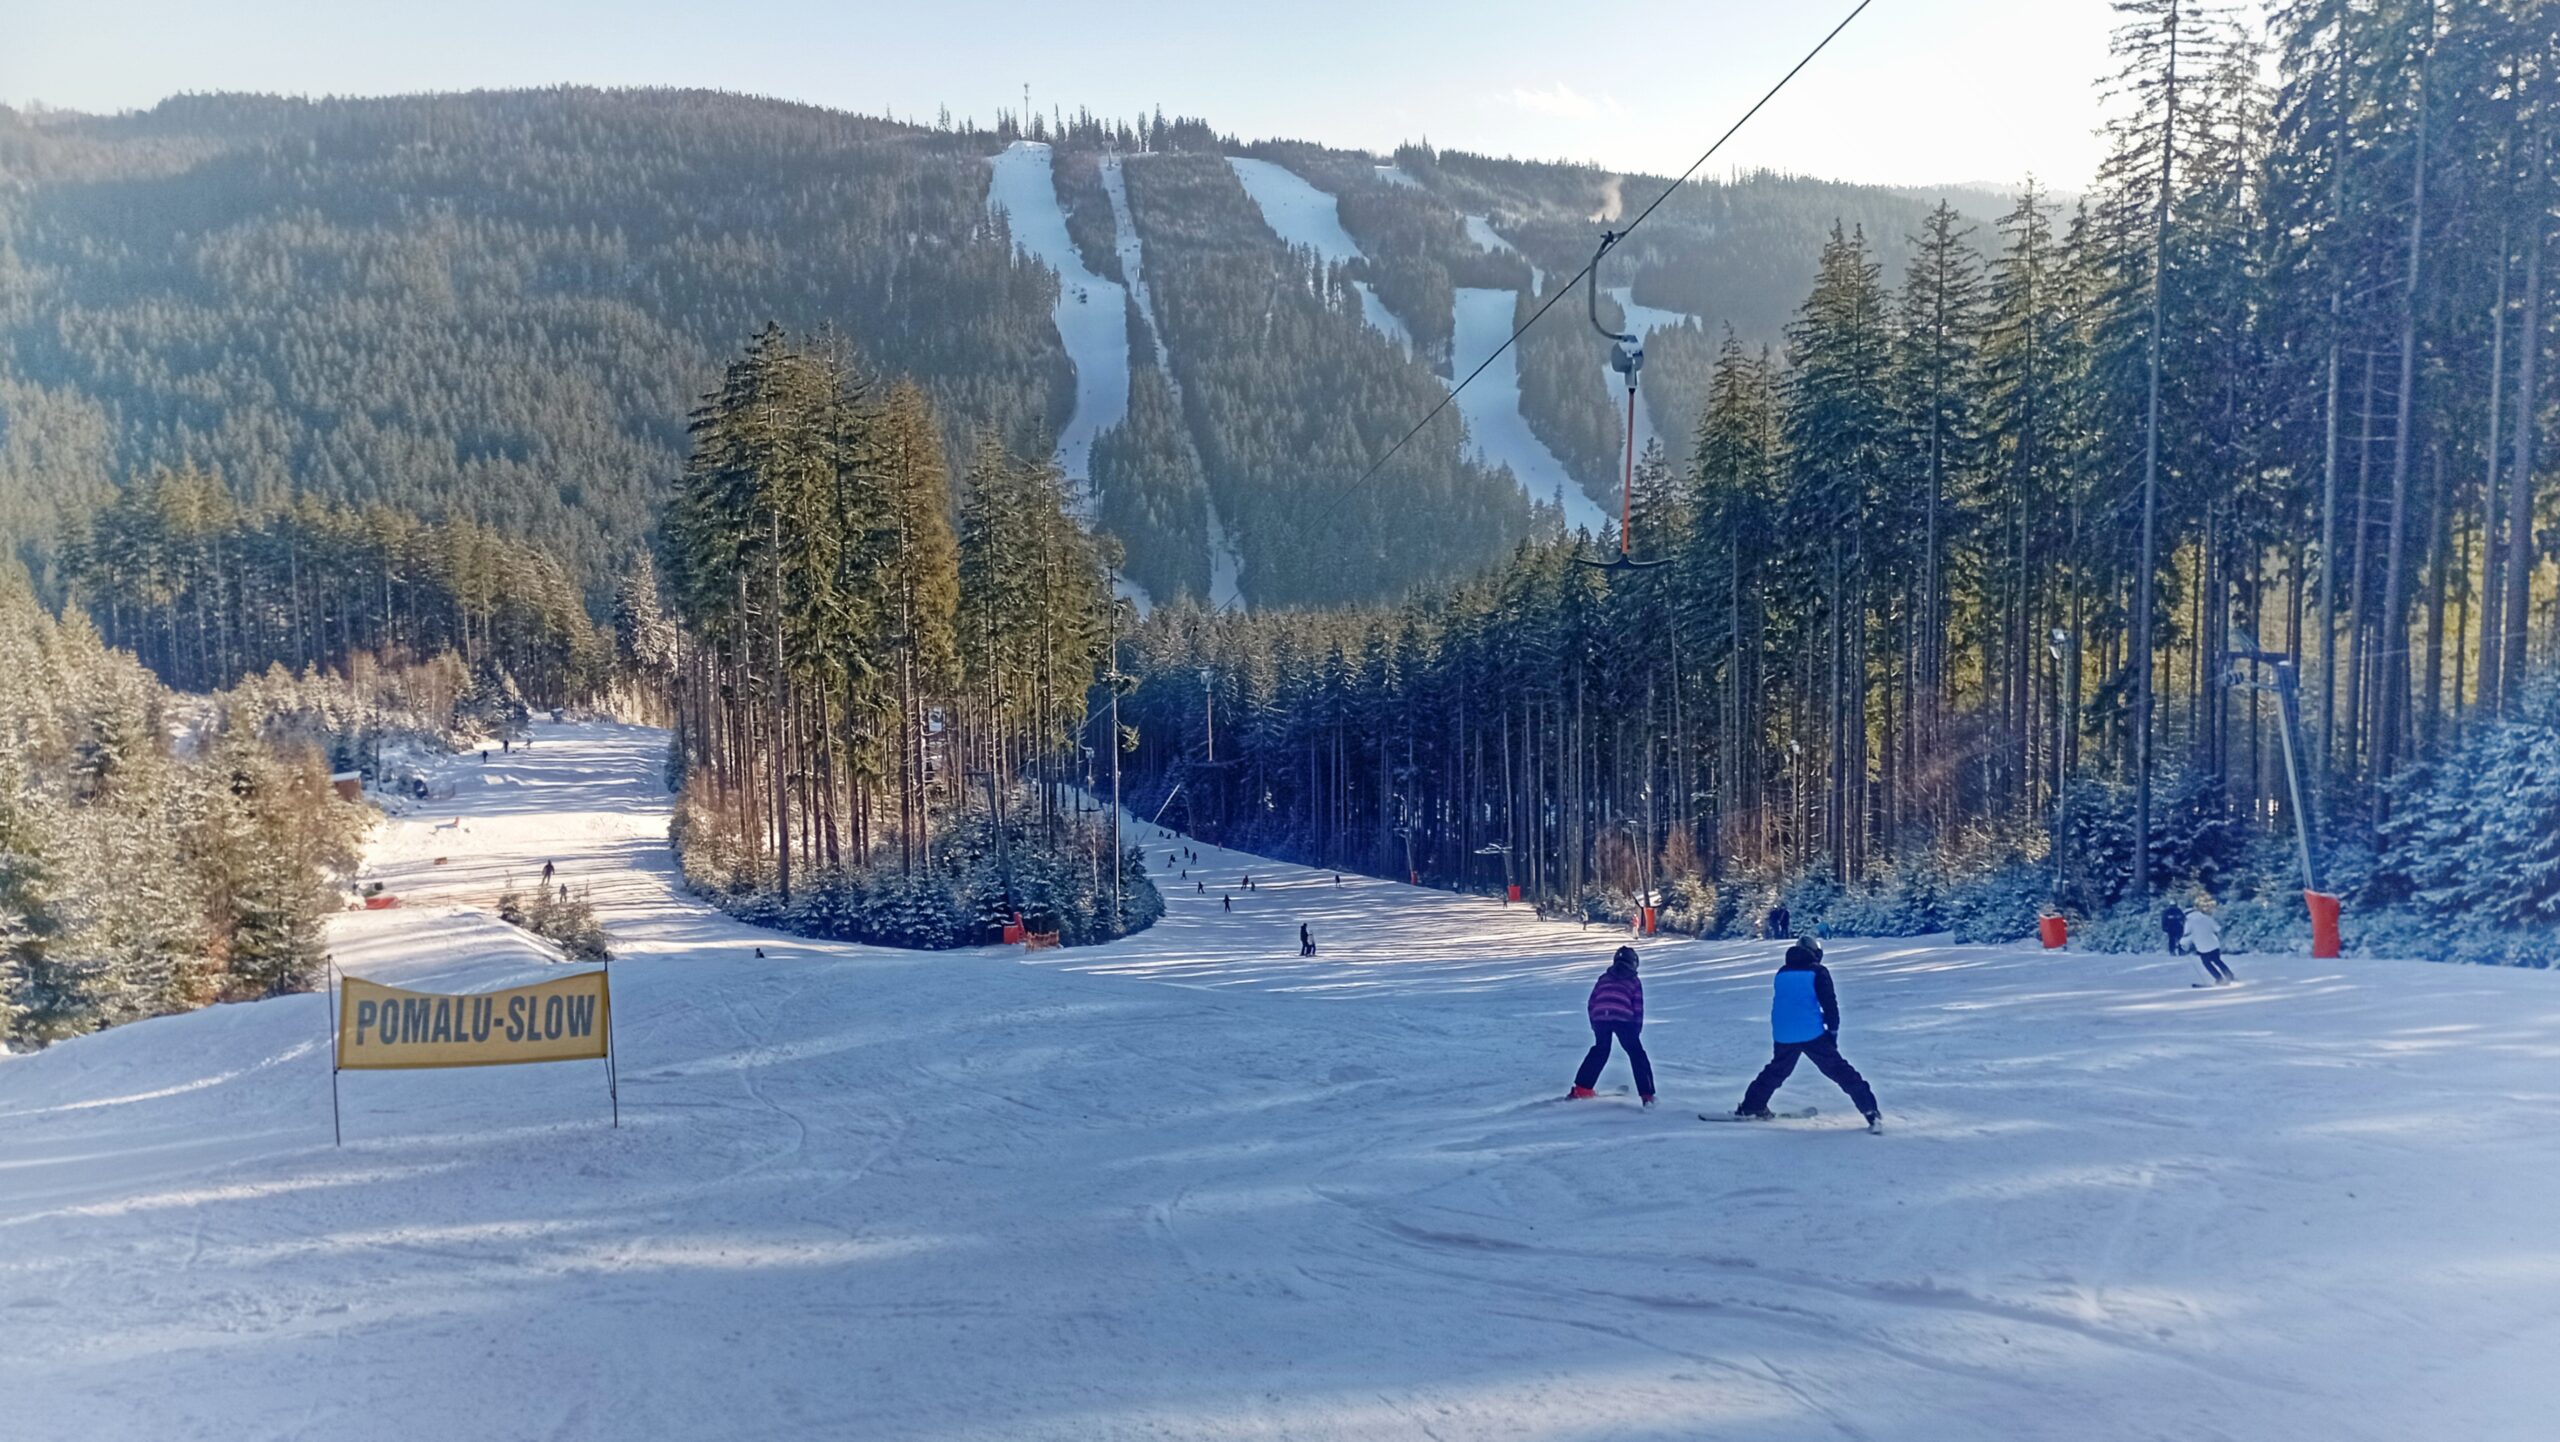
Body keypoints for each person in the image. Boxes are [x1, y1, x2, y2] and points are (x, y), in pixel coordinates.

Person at [1732, 938, 1882, 1132]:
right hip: (1811, 1032)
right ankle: (1870, 1112)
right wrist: (1832, 1032)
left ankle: (1752, 1106)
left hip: (1783, 1031)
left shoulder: (1782, 972)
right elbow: (1829, 1004)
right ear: (1816, 953)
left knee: (1776, 1070)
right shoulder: (1818, 972)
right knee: (1840, 1071)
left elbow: (1791, 1003)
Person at [1569, 946, 1655, 1107]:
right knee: (1637, 1054)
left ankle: (1581, 1089)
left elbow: (1592, 1002)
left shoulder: (1604, 978)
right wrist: (1635, 1031)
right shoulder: (1633, 980)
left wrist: (1595, 1023)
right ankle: (1647, 1095)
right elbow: (1638, 1007)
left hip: (1601, 1017)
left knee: (1600, 1050)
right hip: (1623, 1018)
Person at [2181, 895, 2235, 985]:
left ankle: (2219, 979)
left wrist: (2182, 944)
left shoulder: (2189, 922)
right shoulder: (2206, 918)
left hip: (2202, 947)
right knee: (2218, 961)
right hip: (2214, 944)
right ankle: (2230, 976)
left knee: (2207, 963)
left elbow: (2187, 936)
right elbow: (2217, 928)